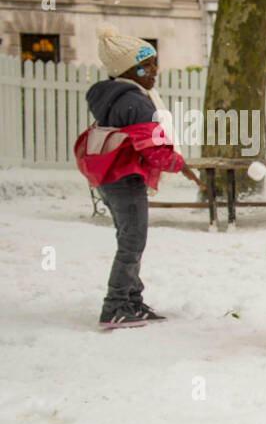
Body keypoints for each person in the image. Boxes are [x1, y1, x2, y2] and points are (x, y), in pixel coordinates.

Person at [79, 24, 205, 329]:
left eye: (153, 62)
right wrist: (181, 166)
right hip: (125, 178)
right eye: (144, 65)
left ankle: (132, 300)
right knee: (132, 242)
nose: (153, 70)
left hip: (110, 177)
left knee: (129, 238)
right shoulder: (134, 102)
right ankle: (116, 305)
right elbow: (153, 148)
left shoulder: (113, 95)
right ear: (126, 70)